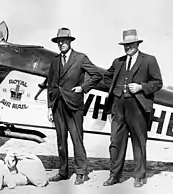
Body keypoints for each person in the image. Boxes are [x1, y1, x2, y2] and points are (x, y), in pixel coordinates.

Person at [103, 29, 163, 187]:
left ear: (137, 44)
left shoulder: (149, 60)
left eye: (131, 44)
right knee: (115, 142)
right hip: (118, 107)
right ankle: (114, 175)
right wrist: (115, 90)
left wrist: (141, 87)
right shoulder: (118, 61)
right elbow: (107, 77)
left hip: (138, 108)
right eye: (125, 44)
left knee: (138, 142)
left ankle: (140, 176)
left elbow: (158, 83)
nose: (128, 47)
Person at [47, 28, 103, 185]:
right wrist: (49, 107)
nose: (61, 43)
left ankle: (81, 172)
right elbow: (50, 84)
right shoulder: (55, 61)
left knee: (76, 138)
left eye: (64, 41)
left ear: (70, 42)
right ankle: (63, 171)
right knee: (60, 140)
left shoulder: (80, 58)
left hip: (74, 105)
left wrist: (83, 88)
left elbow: (97, 75)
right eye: (59, 41)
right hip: (58, 105)